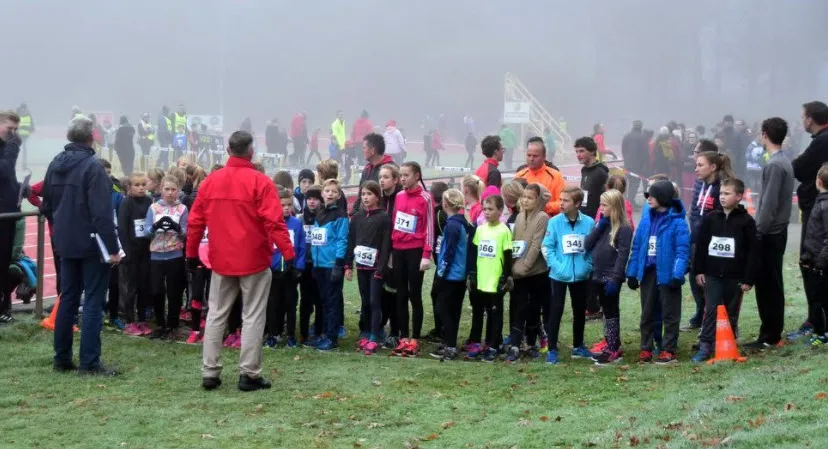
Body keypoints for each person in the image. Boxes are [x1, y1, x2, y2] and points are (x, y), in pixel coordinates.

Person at [186, 130, 295, 392]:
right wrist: (289, 254)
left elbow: (195, 222)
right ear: (251, 151)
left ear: (228, 150)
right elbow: (275, 222)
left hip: (221, 259)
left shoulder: (211, 182)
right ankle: (249, 372)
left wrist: (191, 253)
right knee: (253, 316)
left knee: (216, 314)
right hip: (254, 258)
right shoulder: (260, 182)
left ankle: (210, 370)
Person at [42, 115, 122, 375]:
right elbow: (102, 214)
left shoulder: (55, 163)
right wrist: (113, 248)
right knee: (93, 302)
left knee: (68, 299)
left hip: (65, 241)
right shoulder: (93, 167)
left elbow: (47, 205)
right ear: (92, 136)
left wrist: (61, 228)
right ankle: (89, 362)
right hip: (91, 243)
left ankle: (62, 358)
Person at [692, 178, 758, 362]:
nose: (722, 197)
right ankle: (705, 345)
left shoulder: (746, 222)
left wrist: (748, 279)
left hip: (735, 276)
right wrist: (699, 270)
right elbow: (701, 246)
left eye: (727, 193)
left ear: (739, 196)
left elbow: (753, 252)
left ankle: (729, 341)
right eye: (721, 193)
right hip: (713, 274)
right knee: (711, 309)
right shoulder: (710, 218)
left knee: (731, 310)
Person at [625, 180, 690, 364]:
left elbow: (682, 251)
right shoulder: (646, 221)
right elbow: (637, 248)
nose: (648, 199)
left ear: (663, 197)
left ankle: (668, 349)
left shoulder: (678, 223)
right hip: (648, 273)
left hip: (668, 274)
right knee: (647, 313)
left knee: (670, 314)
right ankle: (646, 348)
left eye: (652, 195)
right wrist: (632, 273)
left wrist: (677, 275)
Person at [745, 117, 793, 351]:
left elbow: (769, 203)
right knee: (770, 283)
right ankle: (770, 332)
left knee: (768, 285)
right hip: (776, 230)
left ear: (764, 134)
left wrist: (758, 231)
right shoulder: (782, 161)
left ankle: (770, 335)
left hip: (771, 232)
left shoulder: (775, 165)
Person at [541, 186, 595, 364]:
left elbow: (592, 247)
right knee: (555, 311)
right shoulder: (554, 222)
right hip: (558, 275)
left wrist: (587, 266)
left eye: (565, 200)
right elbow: (547, 247)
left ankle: (578, 345)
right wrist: (556, 266)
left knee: (579, 310)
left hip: (581, 275)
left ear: (577, 203)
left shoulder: (588, 223)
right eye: (561, 199)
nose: (561, 203)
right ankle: (552, 348)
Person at [790, 101, 828, 340]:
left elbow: (799, 168)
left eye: (803, 116)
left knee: (812, 264)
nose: (802, 120)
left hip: (818, 211)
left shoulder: (821, 142)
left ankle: (817, 321)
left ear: (810, 119)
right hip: (817, 207)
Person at [685, 145, 731, 331]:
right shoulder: (702, 185)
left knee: (709, 282)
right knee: (694, 278)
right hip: (698, 240)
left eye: (700, 165)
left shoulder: (721, 188)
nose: (696, 169)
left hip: (713, 244)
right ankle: (701, 313)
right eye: (696, 165)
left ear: (712, 167)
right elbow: (697, 212)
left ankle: (714, 320)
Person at [390, 162, 434, 356]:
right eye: (400, 175)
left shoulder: (426, 198)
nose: (402, 179)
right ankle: (403, 336)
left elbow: (429, 228)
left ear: (417, 176)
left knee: (414, 295)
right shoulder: (399, 196)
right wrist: (392, 249)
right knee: (400, 295)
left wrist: (426, 255)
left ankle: (415, 338)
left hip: (415, 251)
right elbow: (395, 223)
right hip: (398, 250)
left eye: (406, 175)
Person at [585, 189, 632, 364]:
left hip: (610, 277)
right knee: (605, 312)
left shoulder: (624, 229)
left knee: (611, 312)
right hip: (597, 275)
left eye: (604, 205)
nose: (601, 208)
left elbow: (623, 255)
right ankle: (610, 343)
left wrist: (616, 278)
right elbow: (587, 245)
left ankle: (613, 348)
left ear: (615, 207)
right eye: (601, 204)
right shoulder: (602, 225)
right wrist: (600, 226)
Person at [504, 183, 551, 363]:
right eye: (524, 197)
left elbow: (536, 245)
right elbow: (515, 242)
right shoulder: (519, 216)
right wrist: (513, 266)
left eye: (530, 198)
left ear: (538, 200)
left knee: (533, 309)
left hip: (536, 273)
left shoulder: (542, 217)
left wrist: (524, 267)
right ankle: (516, 344)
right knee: (519, 308)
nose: (525, 200)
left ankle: (531, 344)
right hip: (518, 272)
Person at [344, 181, 391, 355]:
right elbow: (351, 242)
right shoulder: (357, 217)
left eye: (369, 194)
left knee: (374, 301)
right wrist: (348, 265)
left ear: (377, 196)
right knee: (365, 301)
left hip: (376, 268)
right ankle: (365, 331)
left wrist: (381, 268)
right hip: (362, 267)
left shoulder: (384, 218)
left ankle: (375, 335)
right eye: (363, 194)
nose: (365, 197)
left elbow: (386, 246)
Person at [465, 194, 513, 362]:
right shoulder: (480, 229)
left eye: (490, 209)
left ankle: (493, 345)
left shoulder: (504, 230)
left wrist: (506, 277)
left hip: (495, 280)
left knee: (495, 314)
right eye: (484, 209)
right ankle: (476, 343)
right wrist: (472, 274)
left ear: (500, 210)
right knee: (478, 312)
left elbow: (507, 255)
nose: (486, 212)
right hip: (481, 279)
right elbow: (474, 253)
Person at [429, 188, 472, 362]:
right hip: (459, 275)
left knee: (442, 309)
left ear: (445, 204)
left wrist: (442, 272)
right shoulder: (462, 222)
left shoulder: (453, 225)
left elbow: (449, 252)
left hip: (451, 276)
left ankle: (450, 346)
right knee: (452, 311)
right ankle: (449, 343)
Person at [308, 179, 349, 351]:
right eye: (327, 191)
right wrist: (314, 261)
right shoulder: (320, 214)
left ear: (338, 195)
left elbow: (342, 240)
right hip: (319, 265)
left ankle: (332, 338)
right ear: (322, 193)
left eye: (334, 191)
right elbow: (316, 240)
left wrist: (338, 264)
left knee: (332, 302)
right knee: (323, 301)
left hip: (332, 265)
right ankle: (324, 334)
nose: (330, 194)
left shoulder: (341, 216)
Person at [265, 187, 306, 349]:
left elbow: (301, 247)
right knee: (273, 304)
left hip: (291, 272)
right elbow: (267, 247)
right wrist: (269, 265)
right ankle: (272, 334)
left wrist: (299, 267)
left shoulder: (296, 224)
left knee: (290, 304)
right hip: (274, 272)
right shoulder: (270, 224)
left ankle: (290, 335)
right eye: (283, 205)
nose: (287, 208)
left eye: (289, 205)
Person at [118, 173, 153, 337]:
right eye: (137, 185)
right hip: (131, 252)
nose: (140, 188)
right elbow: (122, 229)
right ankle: (129, 321)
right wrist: (126, 252)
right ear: (129, 187)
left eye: (143, 185)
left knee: (144, 286)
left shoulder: (148, 201)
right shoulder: (126, 203)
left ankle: (142, 319)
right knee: (130, 287)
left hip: (145, 251)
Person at [800, 164, 828, 346]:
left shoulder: (824, 205)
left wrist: (820, 261)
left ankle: (822, 333)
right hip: (814, 260)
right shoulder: (821, 202)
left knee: (820, 300)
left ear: (818, 181)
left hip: (821, 263)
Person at [0, 111, 23, 324]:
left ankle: (4, 308)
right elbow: (4, 170)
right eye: (9, 129)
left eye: (16, 130)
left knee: (5, 263)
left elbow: (7, 180)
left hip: (7, 215)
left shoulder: (6, 147)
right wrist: (13, 147)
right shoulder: (8, 148)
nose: (13, 134)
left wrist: (20, 189)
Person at [515, 137, 565, 216]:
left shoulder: (556, 176)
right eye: (529, 155)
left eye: (535, 156)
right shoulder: (519, 175)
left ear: (544, 157)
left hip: (548, 220)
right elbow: (513, 201)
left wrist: (541, 207)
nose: (531, 159)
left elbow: (562, 203)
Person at [299, 185, 323, 345]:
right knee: (305, 300)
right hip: (304, 265)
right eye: (309, 199)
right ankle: (303, 332)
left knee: (319, 299)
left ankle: (319, 331)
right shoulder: (300, 219)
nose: (312, 202)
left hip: (320, 264)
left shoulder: (324, 217)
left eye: (315, 199)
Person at [353, 133, 395, 214]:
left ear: (372, 150)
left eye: (364, 148)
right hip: (365, 216)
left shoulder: (391, 169)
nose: (362, 150)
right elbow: (360, 196)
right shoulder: (367, 168)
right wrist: (354, 213)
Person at [575, 136, 609, 219]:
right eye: (577, 152)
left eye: (581, 151)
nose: (578, 155)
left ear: (592, 151)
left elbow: (606, 199)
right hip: (583, 216)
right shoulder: (584, 170)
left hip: (595, 218)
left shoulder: (600, 172)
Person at [621, 120, 649, 205]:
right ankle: (630, 202)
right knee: (634, 184)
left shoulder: (627, 136)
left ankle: (627, 201)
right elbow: (645, 152)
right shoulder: (643, 137)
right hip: (638, 165)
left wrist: (626, 159)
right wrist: (644, 164)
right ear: (641, 127)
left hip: (627, 163)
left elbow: (623, 149)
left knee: (626, 183)